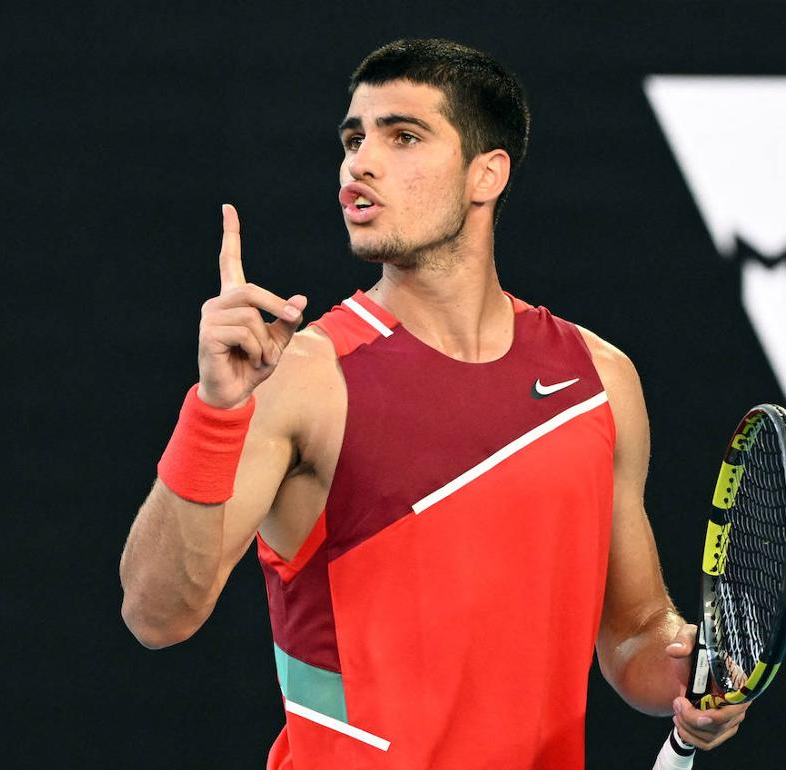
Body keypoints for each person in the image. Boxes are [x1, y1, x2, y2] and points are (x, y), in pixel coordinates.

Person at [119, 38, 748, 769]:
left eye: (403, 136)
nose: (361, 162)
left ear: (487, 174)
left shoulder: (598, 381)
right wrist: (214, 410)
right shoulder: (303, 377)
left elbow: (635, 629)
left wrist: (685, 676)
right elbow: (155, 614)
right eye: (353, 139)